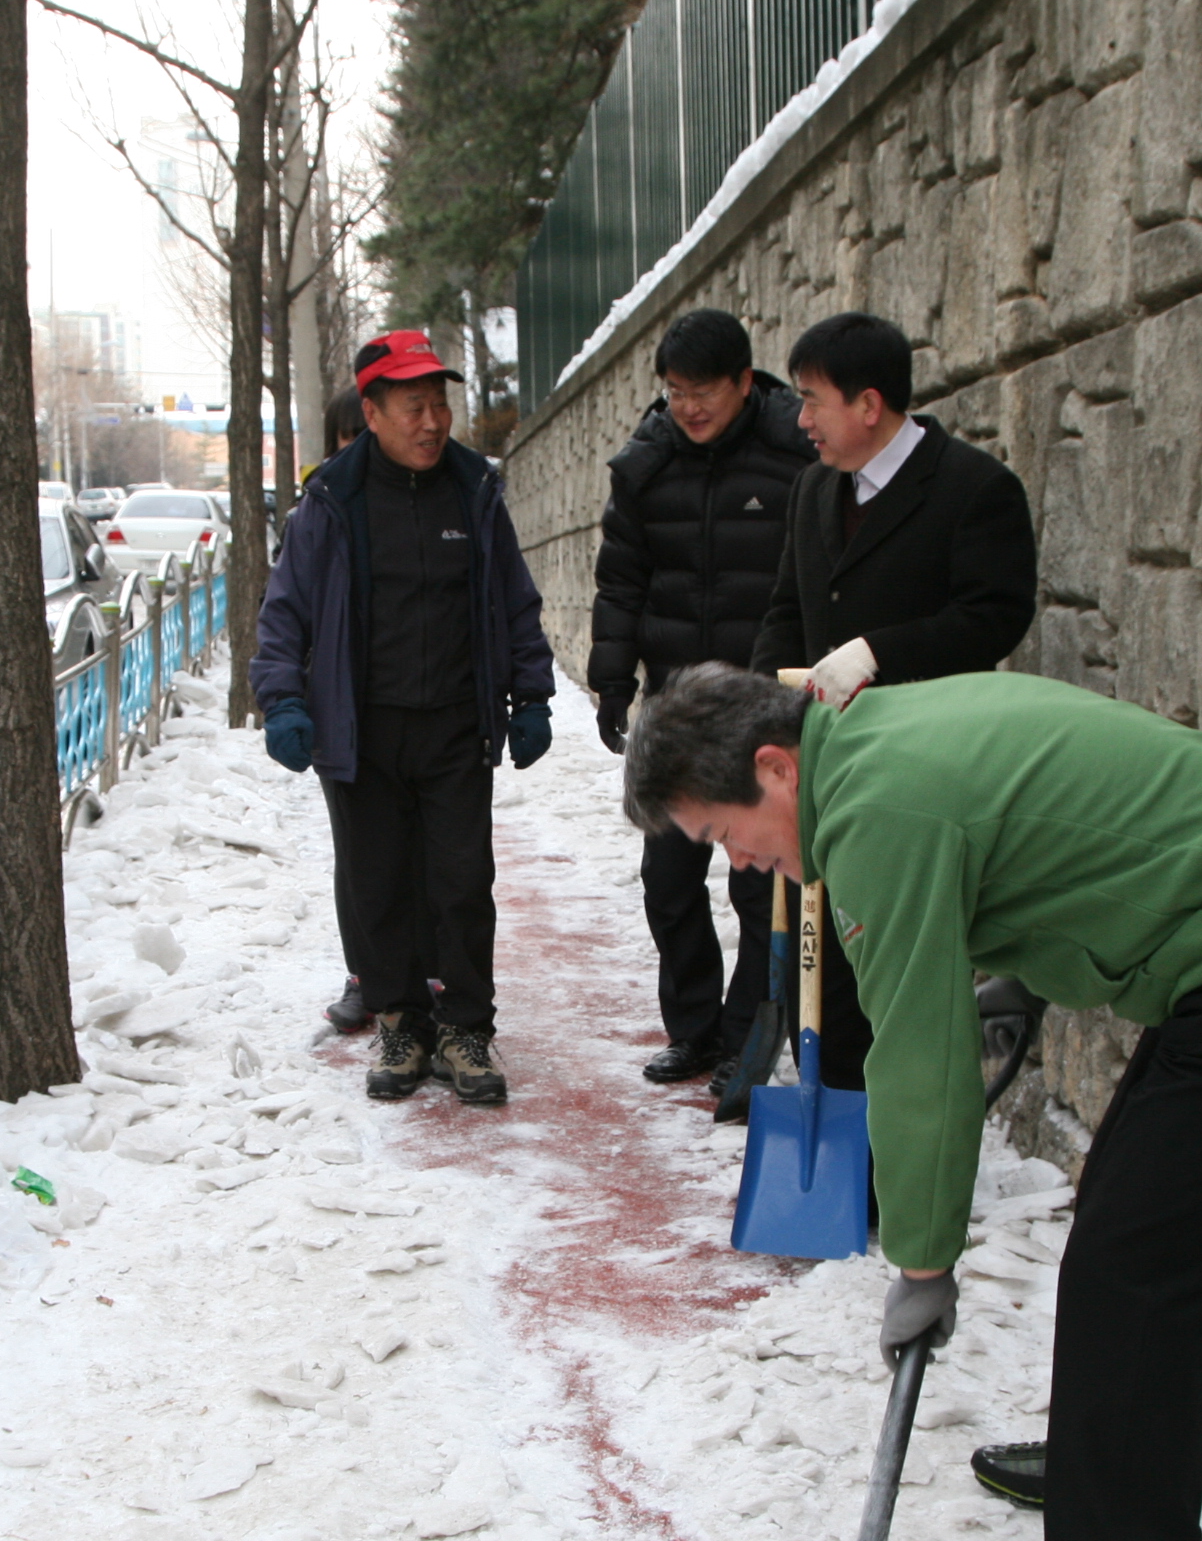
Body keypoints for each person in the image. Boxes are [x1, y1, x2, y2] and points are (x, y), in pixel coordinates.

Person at [623, 663, 1202, 1541]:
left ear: (775, 769)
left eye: (725, 833)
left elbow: (921, 1056)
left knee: (1141, 1268)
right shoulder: (866, 748)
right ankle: (1109, 1462)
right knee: (1121, 1227)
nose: (740, 860)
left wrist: (922, 1262)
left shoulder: (876, 809)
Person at [254, 332, 558, 1105]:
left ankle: (466, 1029)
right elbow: (285, 612)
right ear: (373, 413)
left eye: (439, 404)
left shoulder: (473, 490)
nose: (432, 422)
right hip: (362, 730)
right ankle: (399, 1022)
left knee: (462, 881)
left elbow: (515, 601)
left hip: (457, 724)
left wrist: (531, 696)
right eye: (414, 406)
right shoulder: (332, 502)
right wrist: (283, 701)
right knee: (377, 885)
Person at [750, 310, 1036, 1101]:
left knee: (899, 977)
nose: (801, 420)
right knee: (825, 981)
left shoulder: (974, 489)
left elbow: (995, 615)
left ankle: (904, 1135)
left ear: (869, 404)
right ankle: (845, 1139)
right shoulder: (814, 489)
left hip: (922, 779)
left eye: (813, 401)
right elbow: (787, 608)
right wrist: (767, 700)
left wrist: (880, 652)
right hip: (827, 770)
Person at [589, 309, 813, 1117]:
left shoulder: (795, 454)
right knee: (669, 877)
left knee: (760, 887)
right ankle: (693, 1026)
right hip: (679, 706)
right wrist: (613, 682)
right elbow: (621, 580)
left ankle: (748, 1038)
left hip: (764, 709)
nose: (688, 407)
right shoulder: (647, 467)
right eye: (676, 392)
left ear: (744, 383)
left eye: (704, 391)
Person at [309, 384, 383, 1036]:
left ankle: (428, 973)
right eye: (348, 436)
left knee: (425, 855)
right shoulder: (316, 512)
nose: (360, 448)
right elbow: (285, 614)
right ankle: (364, 975)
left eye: (369, 432)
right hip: (342, 716)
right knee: (357, 854)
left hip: (418, 707)